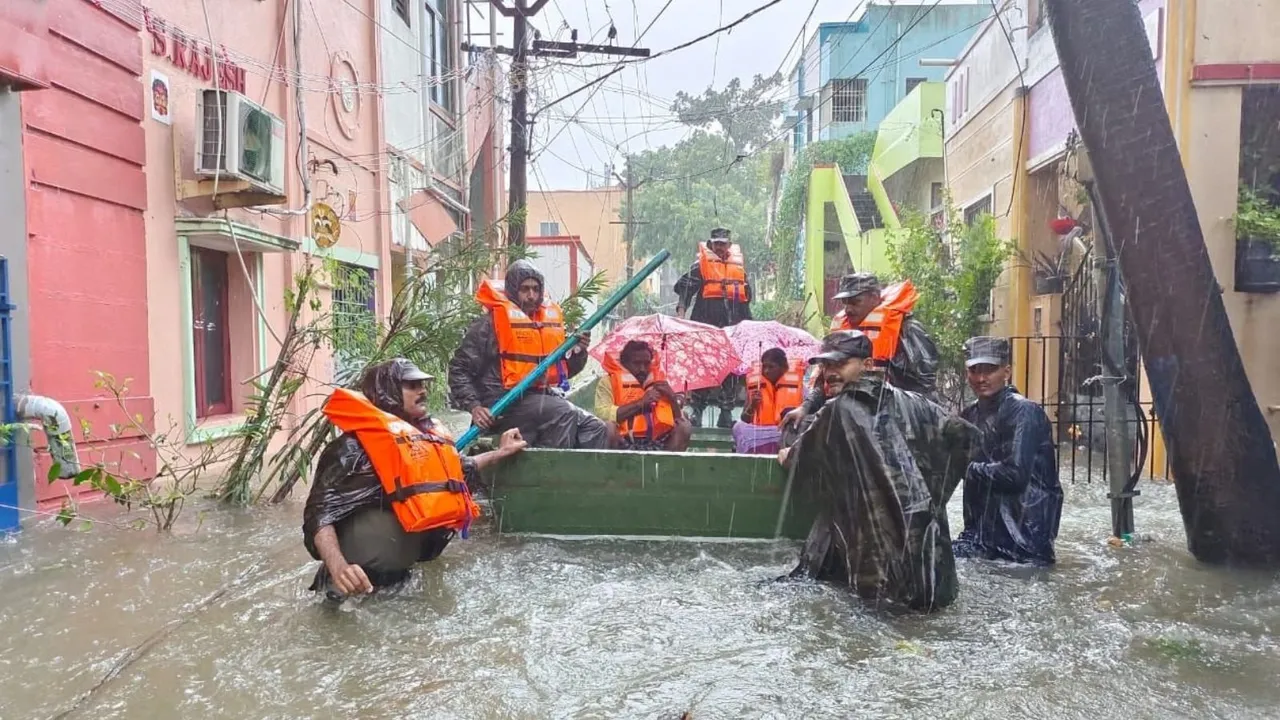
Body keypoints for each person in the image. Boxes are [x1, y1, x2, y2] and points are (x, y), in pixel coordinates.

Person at [778, 331, 978, 612]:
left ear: (868, 364)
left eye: (840, 364)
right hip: (929, 563)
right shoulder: (916, 403)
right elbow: (966, 439)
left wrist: (784, 452)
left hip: (879, 569)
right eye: (826, 366)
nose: (829, 373)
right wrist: (930, 496)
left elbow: (798, 460)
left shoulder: (836, 411)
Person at [303, 359, 528, 601]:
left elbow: (462, 468)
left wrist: (500, 453)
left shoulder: (422, 443)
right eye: (412, 385)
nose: (423, 391)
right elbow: (319, 514)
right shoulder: (350, 450)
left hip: (402, 581)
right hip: (349, 587)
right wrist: (338, 568)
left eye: (422, 384)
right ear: (386, 391)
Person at [448, 260, 610, 449]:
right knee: (564, 412)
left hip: (538, 396)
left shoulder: (544, 323)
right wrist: (474, 407)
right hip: (502, 403)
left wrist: (579, 352)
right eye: (525, 289)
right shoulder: (488, 325)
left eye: (535, 289)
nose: (531, 296)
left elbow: (563, 371)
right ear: (512, 290)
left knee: (595, 427)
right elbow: (458, 370)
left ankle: (582, 477)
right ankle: (551, 474)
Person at [952, 336, 1064, 566]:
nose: (981, 378)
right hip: (980, 540)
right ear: (967, 374)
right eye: (975, 370)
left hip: (1024, 543)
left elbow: (1015, 475)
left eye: (990, 370)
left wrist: (967, 468)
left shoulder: (1025, 411)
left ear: (1007, 371)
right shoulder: (969, 416)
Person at [674, 227, 752, 428]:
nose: (719, 247)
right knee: (704, 367)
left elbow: (746, 298)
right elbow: (684, 290)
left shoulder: (739, 269)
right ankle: (697, 409)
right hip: (706, 327)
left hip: (733, 327)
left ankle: (726, 412)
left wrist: (748, 325)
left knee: (732, 369)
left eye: (723, 243)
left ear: (729, 244)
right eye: (716, 243)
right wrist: (681, 314)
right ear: (710, 244)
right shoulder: (700, 265)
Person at [828, 272, 939, 396]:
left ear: (875, 297)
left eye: (855, 302)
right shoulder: (845, 332)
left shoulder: (907, 330)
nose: (848, 309)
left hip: (893, 408)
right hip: (850, 407)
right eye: (845, 303)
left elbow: (924, 384)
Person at [595, 340, 693, 451]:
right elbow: (602, 415)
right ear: (625, 364)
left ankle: (667, 467)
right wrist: (640, 404)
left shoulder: (660, 382)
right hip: (623, 441)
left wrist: (672, 399)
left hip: (659, 441)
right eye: (636, 363)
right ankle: (614, 467)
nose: (642, 369)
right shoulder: (607, 382)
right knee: (608, 427)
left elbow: (678, 418)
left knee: (684, 426)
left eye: (646, 364)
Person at [732, 348, 805, 454]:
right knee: (738, 427)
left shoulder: (801, 389)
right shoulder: (755, 388)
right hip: (758, 433)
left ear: (784, 368)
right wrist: (752, 405)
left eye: (771, 367)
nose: (766, 371)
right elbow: (745, 419)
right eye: (764, 367)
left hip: (785, 434)